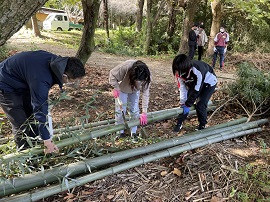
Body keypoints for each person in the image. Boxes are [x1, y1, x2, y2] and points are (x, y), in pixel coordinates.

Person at [0, 50, 86, 153]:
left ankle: (37, 148)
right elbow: (40, 108)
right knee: (21, 124)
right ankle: (25, 156)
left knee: (31, 118)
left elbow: (39, 107)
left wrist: (46, 137)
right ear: (64, 76)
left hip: (23, 81)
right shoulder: (42, 78)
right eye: (73, 81)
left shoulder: (58, 64)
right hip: (5, 83)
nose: (73, 83)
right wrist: (47, 140)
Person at [172, 54, 217, 132]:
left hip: (209, 83)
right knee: (185, 103)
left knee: (200, 104)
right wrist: (183, 103)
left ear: (185, 68)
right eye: (175, 70)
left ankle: (202, 125)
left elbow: (197, 89)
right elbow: (182, 88)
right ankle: (179, 123)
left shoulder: (197, 70)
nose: (177, 73)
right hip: (194, 84)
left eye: (178, 70)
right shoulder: (179, 74)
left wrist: (188, 104)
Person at [109, 60, 151, 140]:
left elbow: (145, 93)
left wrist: (144, 112)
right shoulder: (125, 67)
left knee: (134, 110)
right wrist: (116, 88)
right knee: (120, 111)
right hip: (122, 89)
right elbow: (112, 74)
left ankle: (133, 132)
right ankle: (120, 132)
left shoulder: (147, 75)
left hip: (135, 91)